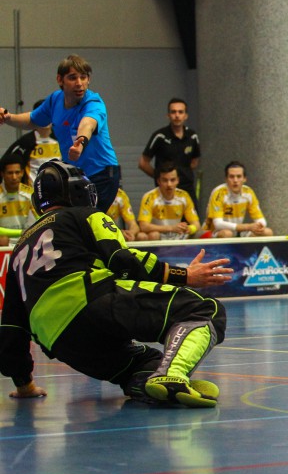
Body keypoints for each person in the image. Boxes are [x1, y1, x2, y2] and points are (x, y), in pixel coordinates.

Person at [0, 160, 232, 407]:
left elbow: (12, 326)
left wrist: (24, 384)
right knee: (204, 309)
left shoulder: (19, 249)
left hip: (60, 341)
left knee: (144, 364)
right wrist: (184, 275)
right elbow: (123, 260)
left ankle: (148, 383)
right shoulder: (84, 215)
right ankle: (171, 376)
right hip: (91, 299)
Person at [0, 54, 122, 213]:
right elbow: (32, 120)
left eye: (83, 77)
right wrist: (8, 118)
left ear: (88, 79)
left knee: (86, 218)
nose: (79, 83)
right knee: (68, 219)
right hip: (75, 176)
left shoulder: (94, 103)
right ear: (60, 79)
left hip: (102, 175)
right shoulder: (55, 100)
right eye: (72, 78)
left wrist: (80, 142)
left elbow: (87, 124)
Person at [139, 98, 202, 208]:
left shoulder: (192, 136)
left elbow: (194, 162)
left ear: (186, 116)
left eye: (180, 112)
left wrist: (183, 173)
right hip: (165, 190)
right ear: (168, 115)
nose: (177, 115)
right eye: (173, 112)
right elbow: (143, 163)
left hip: (187, 189)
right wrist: (161, 177)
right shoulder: (160, 136)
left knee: (192, 219)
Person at [205, 161, 274, 237]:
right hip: (216, 231)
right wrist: (247, 227)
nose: (235, 180)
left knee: (267, 232)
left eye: (239, 176)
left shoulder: (249, 192)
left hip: (238, 230)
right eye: (231, 177)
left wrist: (259, 226)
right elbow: (218, 224)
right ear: (226, 179)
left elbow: (261, 219)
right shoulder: (218, 193)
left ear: (244, 179)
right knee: (227, 234)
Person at [137, 162, 202, 241]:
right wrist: (171, 228)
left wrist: (189, 229)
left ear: (178, 180)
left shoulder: (184, 196)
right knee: (149, 235)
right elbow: (143, 226)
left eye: (172, 180)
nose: (169, 184)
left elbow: (197, 224)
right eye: (165, 180)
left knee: (202, 233)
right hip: (157, 236)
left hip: (178, 236)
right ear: (158, 181)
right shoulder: (149, 197)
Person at [4, 101, 62, 184]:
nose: (45, 119)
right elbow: (6, 164)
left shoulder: (61, 139)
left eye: (49, 115)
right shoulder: (26, 142)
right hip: (32, 190)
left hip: (57, 189)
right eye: (42, 116)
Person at [0, 154, 35, 246]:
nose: (14, 177)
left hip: (26, 240)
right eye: (10, 173)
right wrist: (21, 232)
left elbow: (41, 220)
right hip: (4, 242)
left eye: (17, 172)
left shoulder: (30, 194)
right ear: (2, 174)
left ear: (22, 173)